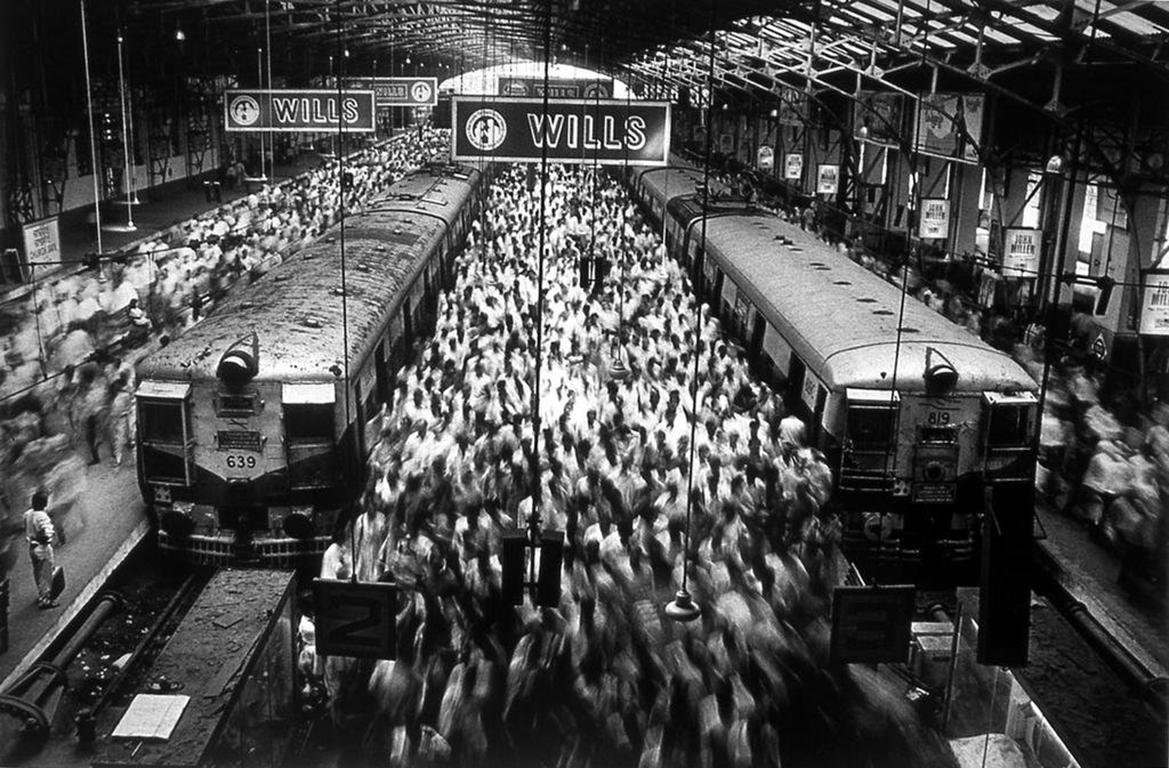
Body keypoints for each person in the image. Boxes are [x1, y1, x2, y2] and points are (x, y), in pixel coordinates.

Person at [24, 490, 57, 609]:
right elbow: (46, 534)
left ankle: (41, 594)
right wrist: (48, 538)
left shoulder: (28, 514)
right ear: (44, 504)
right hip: (42, 548)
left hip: (31, 548)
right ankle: (45, 600)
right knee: (46, 572)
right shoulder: (42, 517)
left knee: (37, 572)